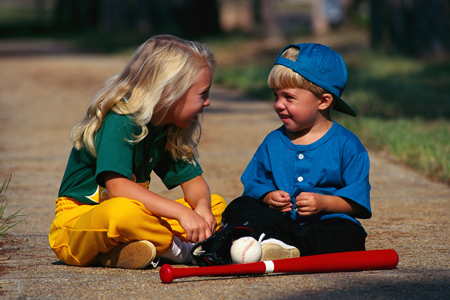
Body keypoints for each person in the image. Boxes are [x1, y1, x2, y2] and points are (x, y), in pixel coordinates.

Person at [49, 35, 227, 269]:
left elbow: (194, 183)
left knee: (217, 205)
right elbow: (118, 188)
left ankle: (129, 251)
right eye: (202, 94)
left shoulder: (167, 128)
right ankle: (182, 251)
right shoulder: (121, 120)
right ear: (170, 91)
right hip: (77, 225)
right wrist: (181, 214)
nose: (207, 102)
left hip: (128, 222)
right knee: (123, 213)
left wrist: (201, 208)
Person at [222, 43, 371, 261]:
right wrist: (267, 196)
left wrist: (324, 203)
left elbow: (356, 201)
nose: (278, 105)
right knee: (239, 206)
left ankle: (281, 247)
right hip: (279, 221)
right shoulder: (273, 141)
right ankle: (269, 243)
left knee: (351, 235)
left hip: (326, 221)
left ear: (323, 101)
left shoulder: (347, 145)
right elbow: (254, 182)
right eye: (275, 96)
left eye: (288, 97)